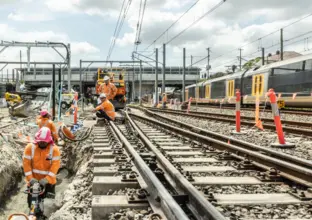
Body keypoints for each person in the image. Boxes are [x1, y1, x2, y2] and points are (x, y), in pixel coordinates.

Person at [23, 127, 61, 208]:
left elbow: (55, 167)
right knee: (33, 206)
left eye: (44, 142)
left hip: (49, 183)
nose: (42, 143)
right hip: (34, 183)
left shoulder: (54, 150)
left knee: (48, 207)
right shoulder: (30, 148)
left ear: (49, 140)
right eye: (40, 141)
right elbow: (26, 165)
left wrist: (47, 179)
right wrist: (30, 178)